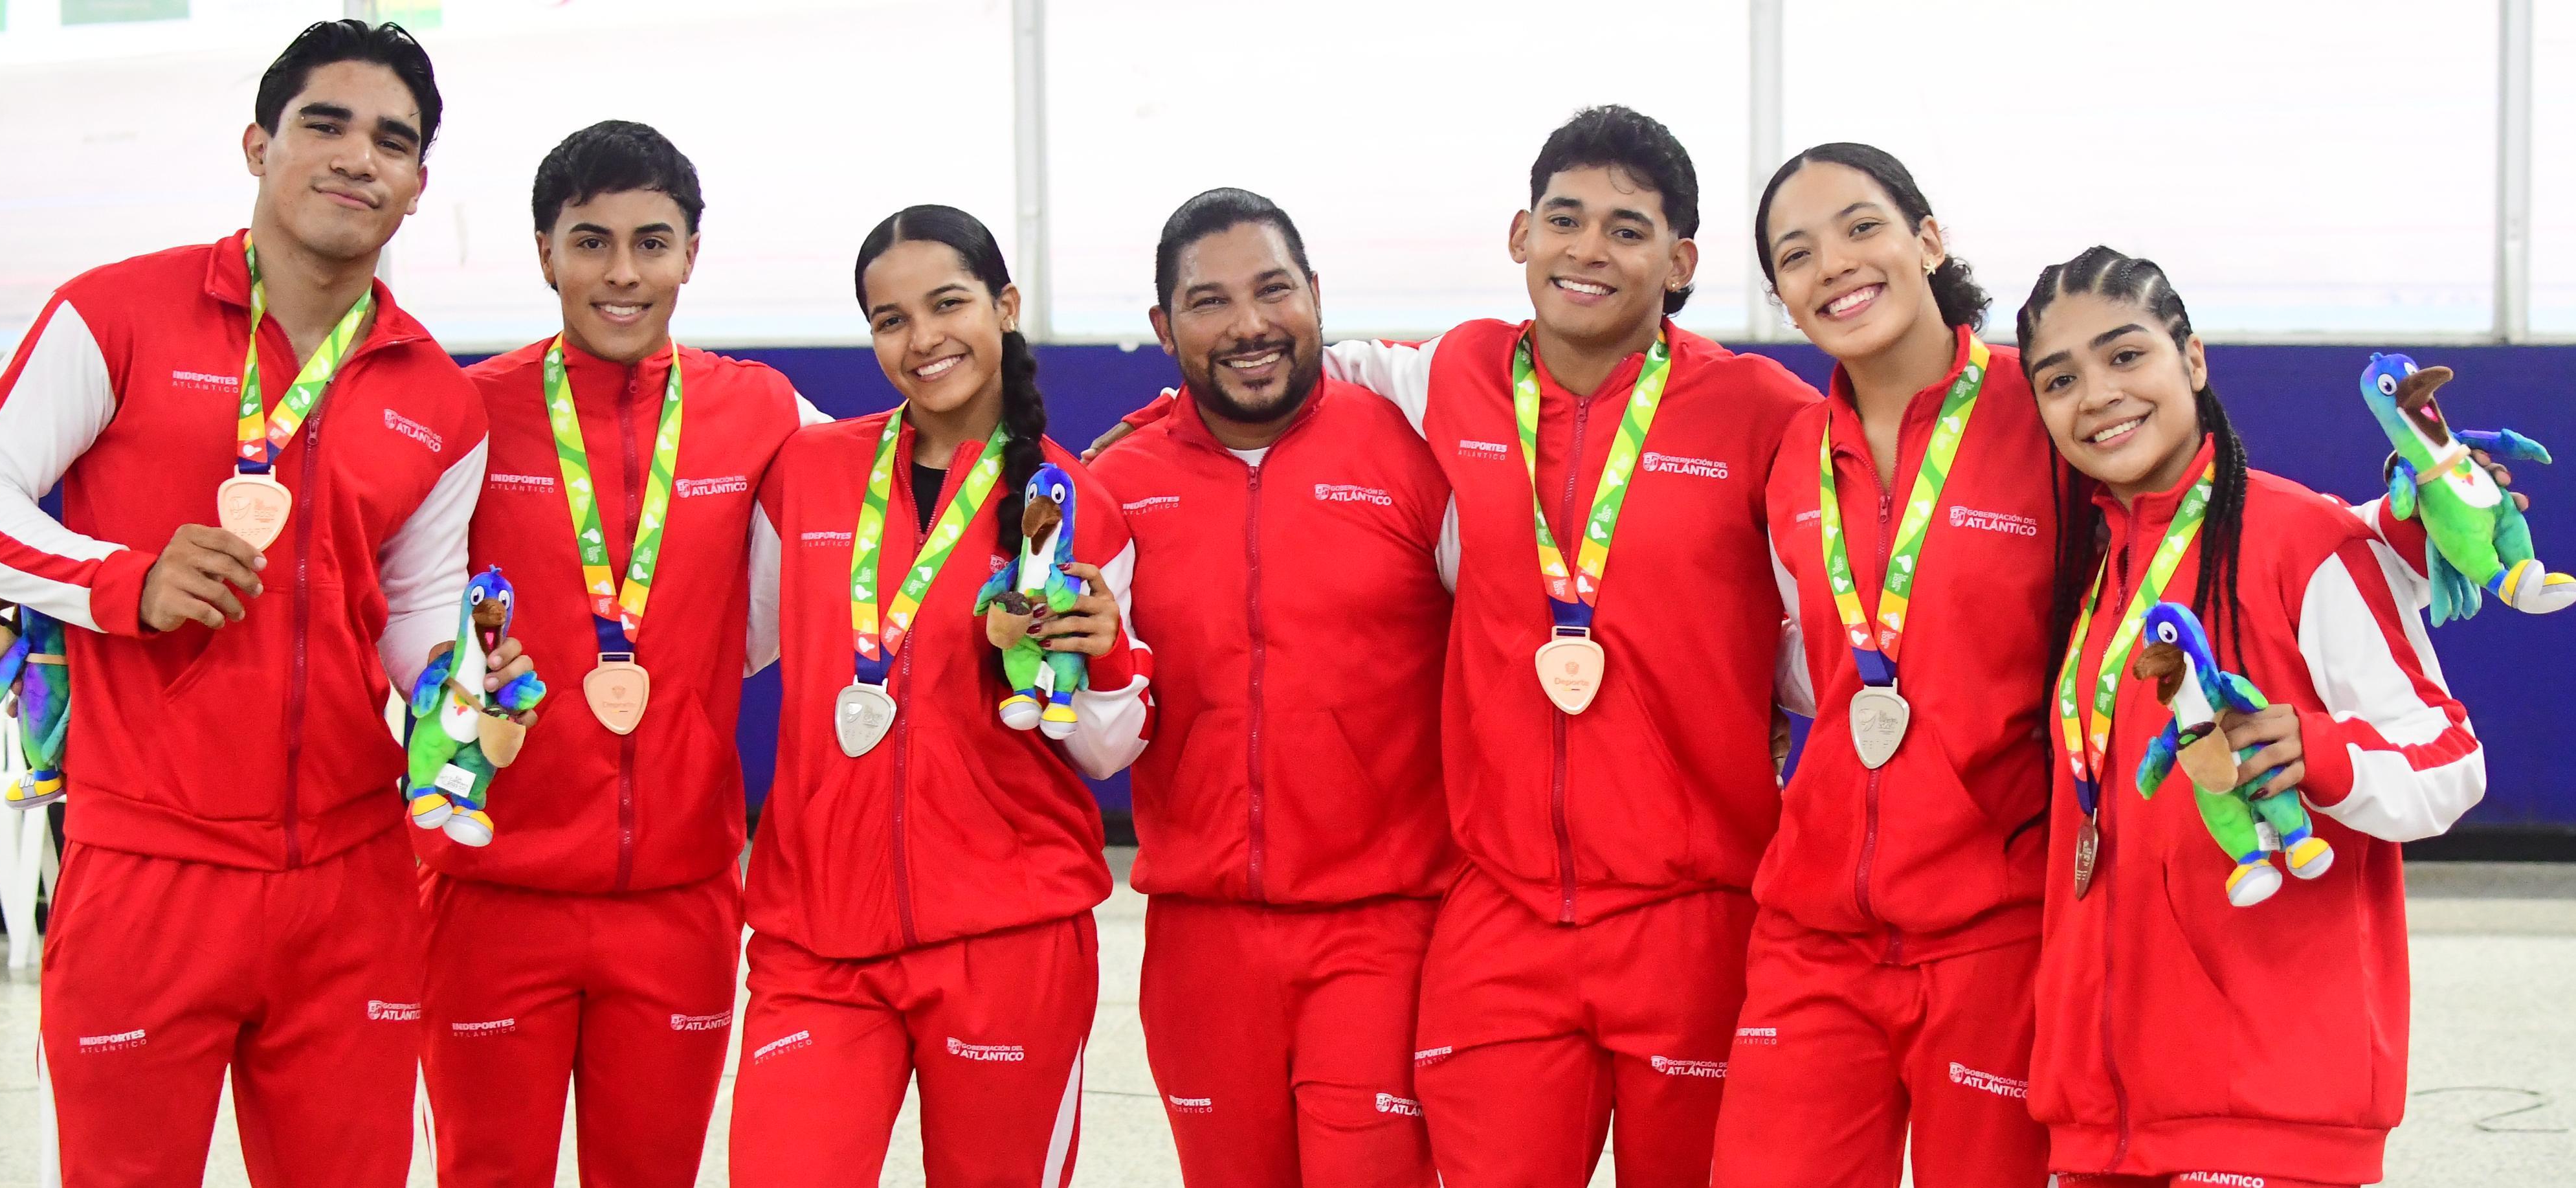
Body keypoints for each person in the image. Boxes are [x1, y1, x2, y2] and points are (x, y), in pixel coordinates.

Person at [1095, 106, 1817, 1187]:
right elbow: (1285, 374)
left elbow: (1834, 606)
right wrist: (1159, 419)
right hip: (1503, 919)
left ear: (1682, 260)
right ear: (1520, 234)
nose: (1588, 249)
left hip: (1696, 916)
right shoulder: (1454, 376)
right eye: (1565, 219)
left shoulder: (1765, 411)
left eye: (1628, 229)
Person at [0, 21, 529, 1185]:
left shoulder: (438, 398)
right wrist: (122, 580)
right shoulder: (118, 314)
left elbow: (415, 600)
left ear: (418, 185)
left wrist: (461, 680)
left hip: (352, 880)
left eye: (391, 142)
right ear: (258, 144)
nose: (358, 158)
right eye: (325, 125)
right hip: (151, 867)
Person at [2017, 246, 2483, 1188]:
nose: (2096, 394)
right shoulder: (2090, 571)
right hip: (2101, 1111)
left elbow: (2448, 757)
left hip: (2270, 1103)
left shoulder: (2304, 541)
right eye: (2059, 379)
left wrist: (2316, 751)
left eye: (2125, 356)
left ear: (2193, 359)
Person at [418, 120, 827, 1188]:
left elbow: (878, 521)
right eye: (590, 241)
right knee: (487, 1173)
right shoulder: (467, 411)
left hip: (679, 895)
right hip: (490, 891)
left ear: (692, 251)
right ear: (545, 252)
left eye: (653, 241)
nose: (622, 273)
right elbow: (401, 608)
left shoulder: (764, 409)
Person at [728, 205, 1152, 1188]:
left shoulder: (1077, 500)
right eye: (889, 318)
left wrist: (1109, 658)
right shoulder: (812, 473)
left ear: (1004, 307)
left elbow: (1107, 748)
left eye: (948, 304)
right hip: (816, 942)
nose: (922, 340)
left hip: (1009, 945)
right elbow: (730, 646)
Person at [1089, 188, 1458, 1188]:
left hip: (1386, 932)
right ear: (1164, 329)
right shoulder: (1114, 484)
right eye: (1209, 303)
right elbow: (1093, 725)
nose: (1249, 325)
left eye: (1273, 290)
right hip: (1200, 947)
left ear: (1316, 296)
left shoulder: (1416, 452)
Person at [1711, 144, 2054, 1188]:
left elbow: (2206, 521)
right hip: (1814, 931)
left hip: (1998, 932)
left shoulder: (2045, 414)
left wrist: (2392, 535)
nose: (1836, 266)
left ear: (1928, 240)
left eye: (1863, 228)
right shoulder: (1790, 455)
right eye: (1797, 253)